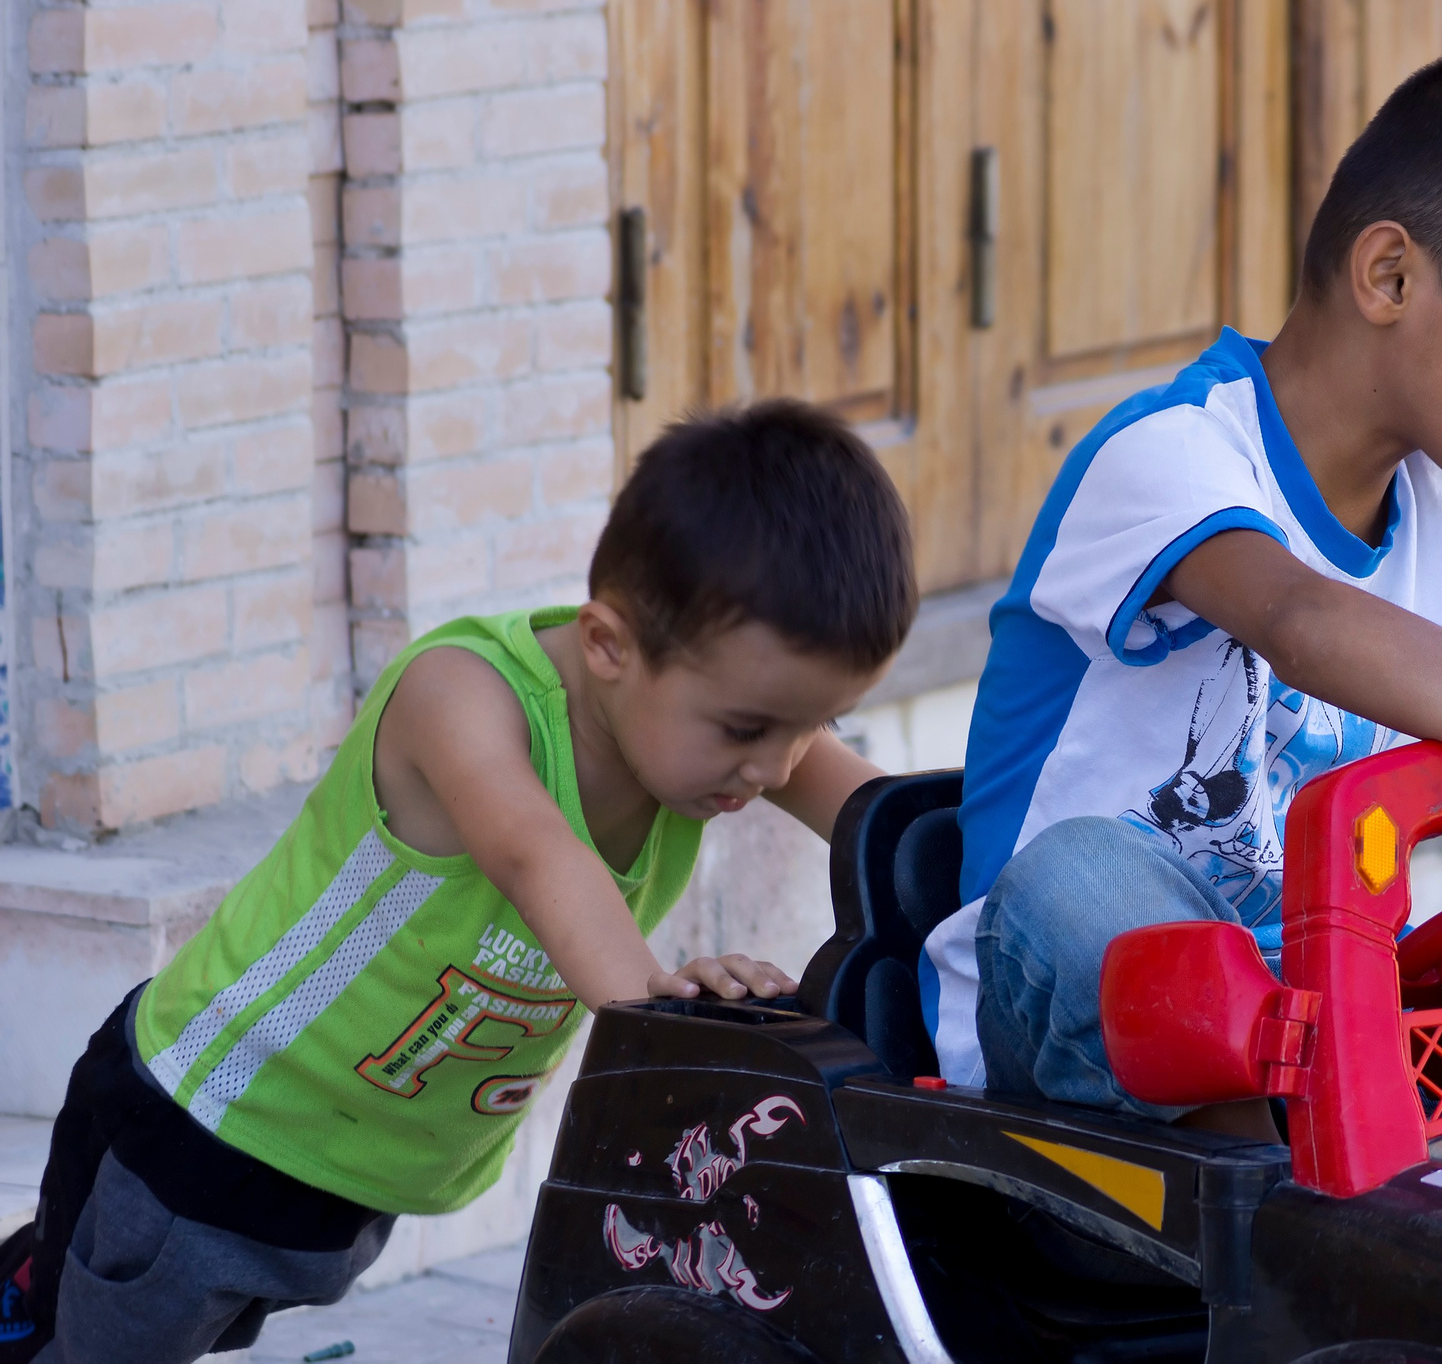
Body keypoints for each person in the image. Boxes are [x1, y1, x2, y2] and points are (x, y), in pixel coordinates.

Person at [0, 402, 915, 1363]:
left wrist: (993, 879)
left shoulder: (722, 718)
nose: (773, 768)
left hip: (352, 1174)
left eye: (810, 727)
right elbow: (533, 849)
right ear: (608, 644)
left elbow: (892, 825)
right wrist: (663, 1024)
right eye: (746, 731)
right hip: (208, 1130)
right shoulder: (462, 697)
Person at [938, 47, 1442, 1139]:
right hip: (1070, 1034)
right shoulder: (1171, 454)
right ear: (1390, 278)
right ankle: (1294, 1217)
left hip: (1325, 1034)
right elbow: (1303, 622)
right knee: (1079, 881)